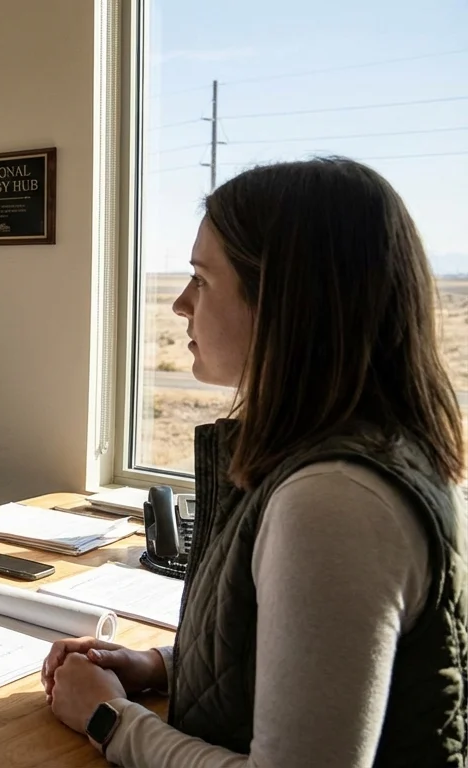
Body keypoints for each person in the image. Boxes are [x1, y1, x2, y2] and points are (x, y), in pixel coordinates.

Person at [44, 157, 468, 766]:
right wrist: (163, 665)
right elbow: (323, 663)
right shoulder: (361, 453)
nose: (181, 305)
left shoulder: (336, 500)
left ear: (284, 301)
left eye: (202, 279)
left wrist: (109, 719)